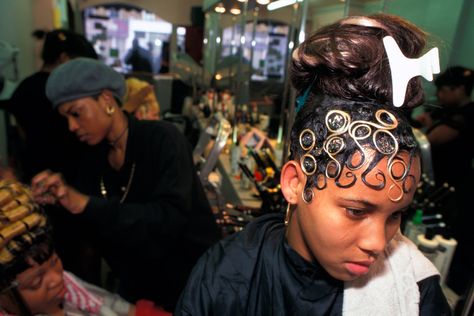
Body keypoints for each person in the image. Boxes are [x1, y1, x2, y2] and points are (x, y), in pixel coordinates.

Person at [175, 14, 451, 315]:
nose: (377, 243)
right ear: (295, 183)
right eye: (356, 211)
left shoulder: (415, 290)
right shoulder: (224, 278)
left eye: (396, 215)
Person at [30, 58, 221, 311]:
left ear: (107, 100)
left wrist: (84, 204)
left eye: (76, 113)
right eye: (66, 118)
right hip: (137, 294)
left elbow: (168, 219)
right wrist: (57, 203)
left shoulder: (162, 140)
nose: (72, 126)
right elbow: (88, 229)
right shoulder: (92, 160)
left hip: (193, 288)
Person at [6, 29, 102, 286]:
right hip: (71, 190)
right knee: (78, 271)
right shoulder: (65, 94)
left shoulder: (23, 90)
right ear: (63, 58)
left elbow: (18, 143)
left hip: (35, 191)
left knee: (46, 267)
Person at [417, 66, 474, 298]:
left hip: (454, 195)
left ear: (460, 90)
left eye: (444, 90)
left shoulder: (468, 115)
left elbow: (432, 139)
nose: (439, 95)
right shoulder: (447, 112)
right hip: (435, 191)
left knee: (445, 245)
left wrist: (426, 128)